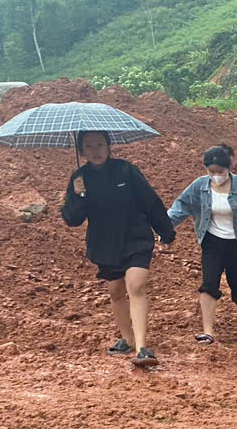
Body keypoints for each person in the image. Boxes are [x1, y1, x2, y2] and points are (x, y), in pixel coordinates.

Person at [61, 130, 175, 368]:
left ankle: (143, 348)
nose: (96, 150)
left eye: (100, 144)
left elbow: (150, 200)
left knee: (136, 285)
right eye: (89, 146)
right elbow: (72, 219)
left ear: (109, 146)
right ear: (81, 151)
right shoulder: (79, 178)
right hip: (105, 243)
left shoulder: (126, 170)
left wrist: (165, 231)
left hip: (136, 237)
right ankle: (128, 338)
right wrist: (79, 195)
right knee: (115, 292)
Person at [167, 144, 237, 341]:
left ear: (229, 168)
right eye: (212, 172)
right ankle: (207, 330)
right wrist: (164, 226)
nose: (216, 175)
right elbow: (180, 207)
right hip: (212, 242)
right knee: (209, 283)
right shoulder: (199, 186)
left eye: (220, 171)